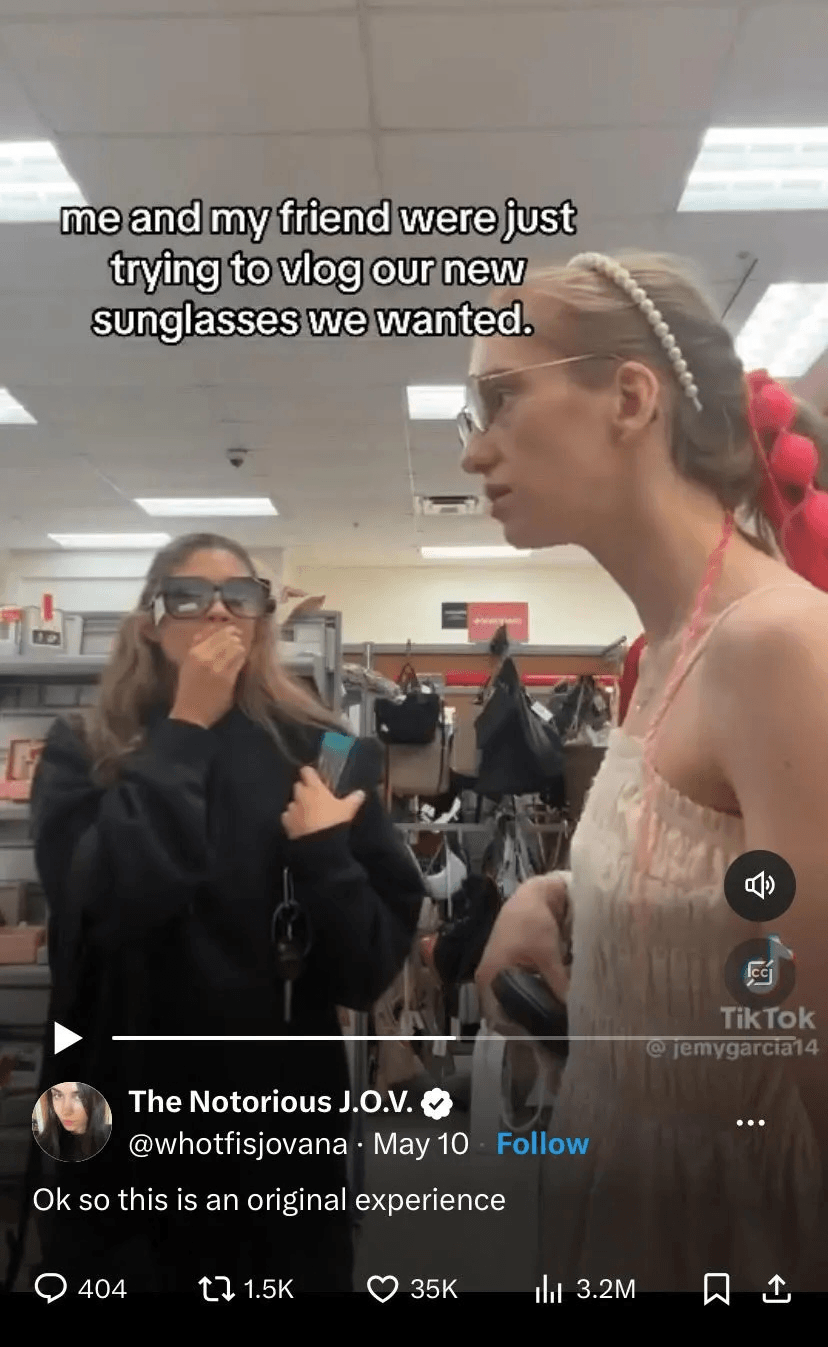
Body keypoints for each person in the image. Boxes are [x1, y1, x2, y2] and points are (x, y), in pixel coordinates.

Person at [460, 250, 828, 1293]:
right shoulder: (662, 654)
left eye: (501, 397)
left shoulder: (777, 648)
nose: (476, 450)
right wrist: (555, 892)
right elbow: (718, 881)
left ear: (629, 397)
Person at [29, 534, 423, 1294]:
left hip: (274, 1129)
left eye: (239, 596)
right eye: (187, 596)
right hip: (118, 1118)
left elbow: (368, 967)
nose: (216, 612)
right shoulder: (84, 748)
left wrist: (327, 857)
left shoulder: (325, 750)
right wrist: (186, 727)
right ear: (149, 623)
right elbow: (108, 907)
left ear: (262, 620)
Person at [33, 1082, 111, 1163]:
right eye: (57, 1095)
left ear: (95, 1099)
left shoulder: (105, 1136)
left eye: (79, 1096)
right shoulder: (42, 1144)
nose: (66, 1111)